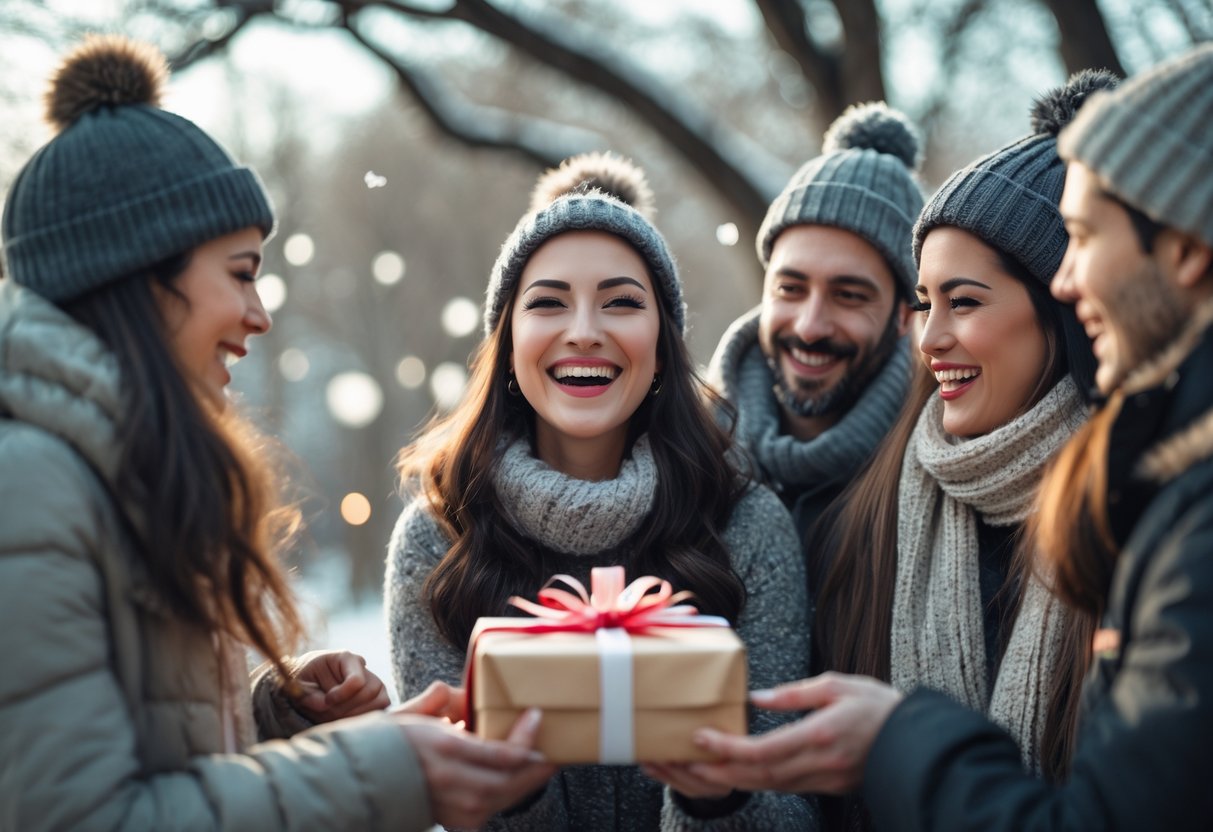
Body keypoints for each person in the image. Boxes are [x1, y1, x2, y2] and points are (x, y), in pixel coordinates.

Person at [0, 35, 551, 832]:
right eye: (241, 274)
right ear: (140, 271)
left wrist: (272, 718)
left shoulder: (117, 471)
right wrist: (374, 772)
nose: (259, 316)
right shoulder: (30, 485)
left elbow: (153, 758)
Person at [689, 44, 1213, 831]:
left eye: (961, 301)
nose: (927, 338)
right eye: (923, 302)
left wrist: (898, 740)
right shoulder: (867, 523)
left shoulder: (1142, 507)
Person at [386, 151, 815, 830]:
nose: (584, 331)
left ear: (663, 341)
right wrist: (511, 792)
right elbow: (441, 808)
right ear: (506, 338)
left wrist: (717, 799)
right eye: (548, 303)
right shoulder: (439, 536)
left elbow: (791, 809)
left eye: (620, 303)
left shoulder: (747, 526)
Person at [706, 102, 923, 542]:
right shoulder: (684, 446)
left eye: (849, 296)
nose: (809, 327)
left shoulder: (936, 474)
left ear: (903, 316)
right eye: (791, 288)